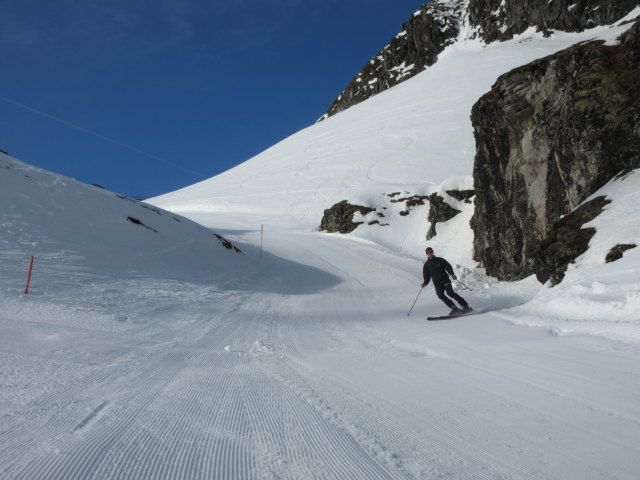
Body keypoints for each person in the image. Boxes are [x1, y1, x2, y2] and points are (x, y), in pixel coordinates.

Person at [421, 247, 472, 315]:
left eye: (431, 252)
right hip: (437, 283)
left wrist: (452, 274)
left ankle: (465, 306)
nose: (430, 253)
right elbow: (426, 275)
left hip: (445, 280)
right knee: (440, 295)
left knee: (450, 293)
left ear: (433, 252)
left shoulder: (440, 260)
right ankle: (454, 308)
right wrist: (425, 282)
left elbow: (448, 266)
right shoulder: (426, 265)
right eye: (428, 252)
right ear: (426, 254)